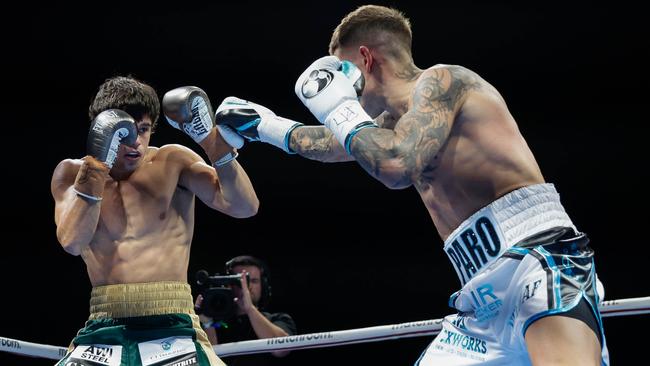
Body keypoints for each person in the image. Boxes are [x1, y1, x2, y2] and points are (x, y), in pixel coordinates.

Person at [213, 5, 608, 365]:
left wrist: (338, 106)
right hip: (480, 293)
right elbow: (332, 144)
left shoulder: (444, 82)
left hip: (539, 258)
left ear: (365, 59)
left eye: (340, 69)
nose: (338, 86)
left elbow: (396, 164)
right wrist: (263, 125)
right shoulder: (392, 126)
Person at [50, 76, 259, 366]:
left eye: (143, 130)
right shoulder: (73, 173)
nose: (135, 142)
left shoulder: (173, 161)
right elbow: (72, 242)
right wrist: (96, 168)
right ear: (101, 129)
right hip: (104, 328)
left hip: (174, 323)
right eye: (123, 133)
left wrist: (213, 143)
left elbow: (244, 207)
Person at [195, 255, 297, 365]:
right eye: (239, 281)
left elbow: (281, 350)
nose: (247, 287)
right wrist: (208, 323)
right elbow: (210, 362)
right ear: (229, 285)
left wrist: (250, 309)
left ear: (263, 285)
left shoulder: (279, 319)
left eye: (253, 281)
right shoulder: (217, 325)